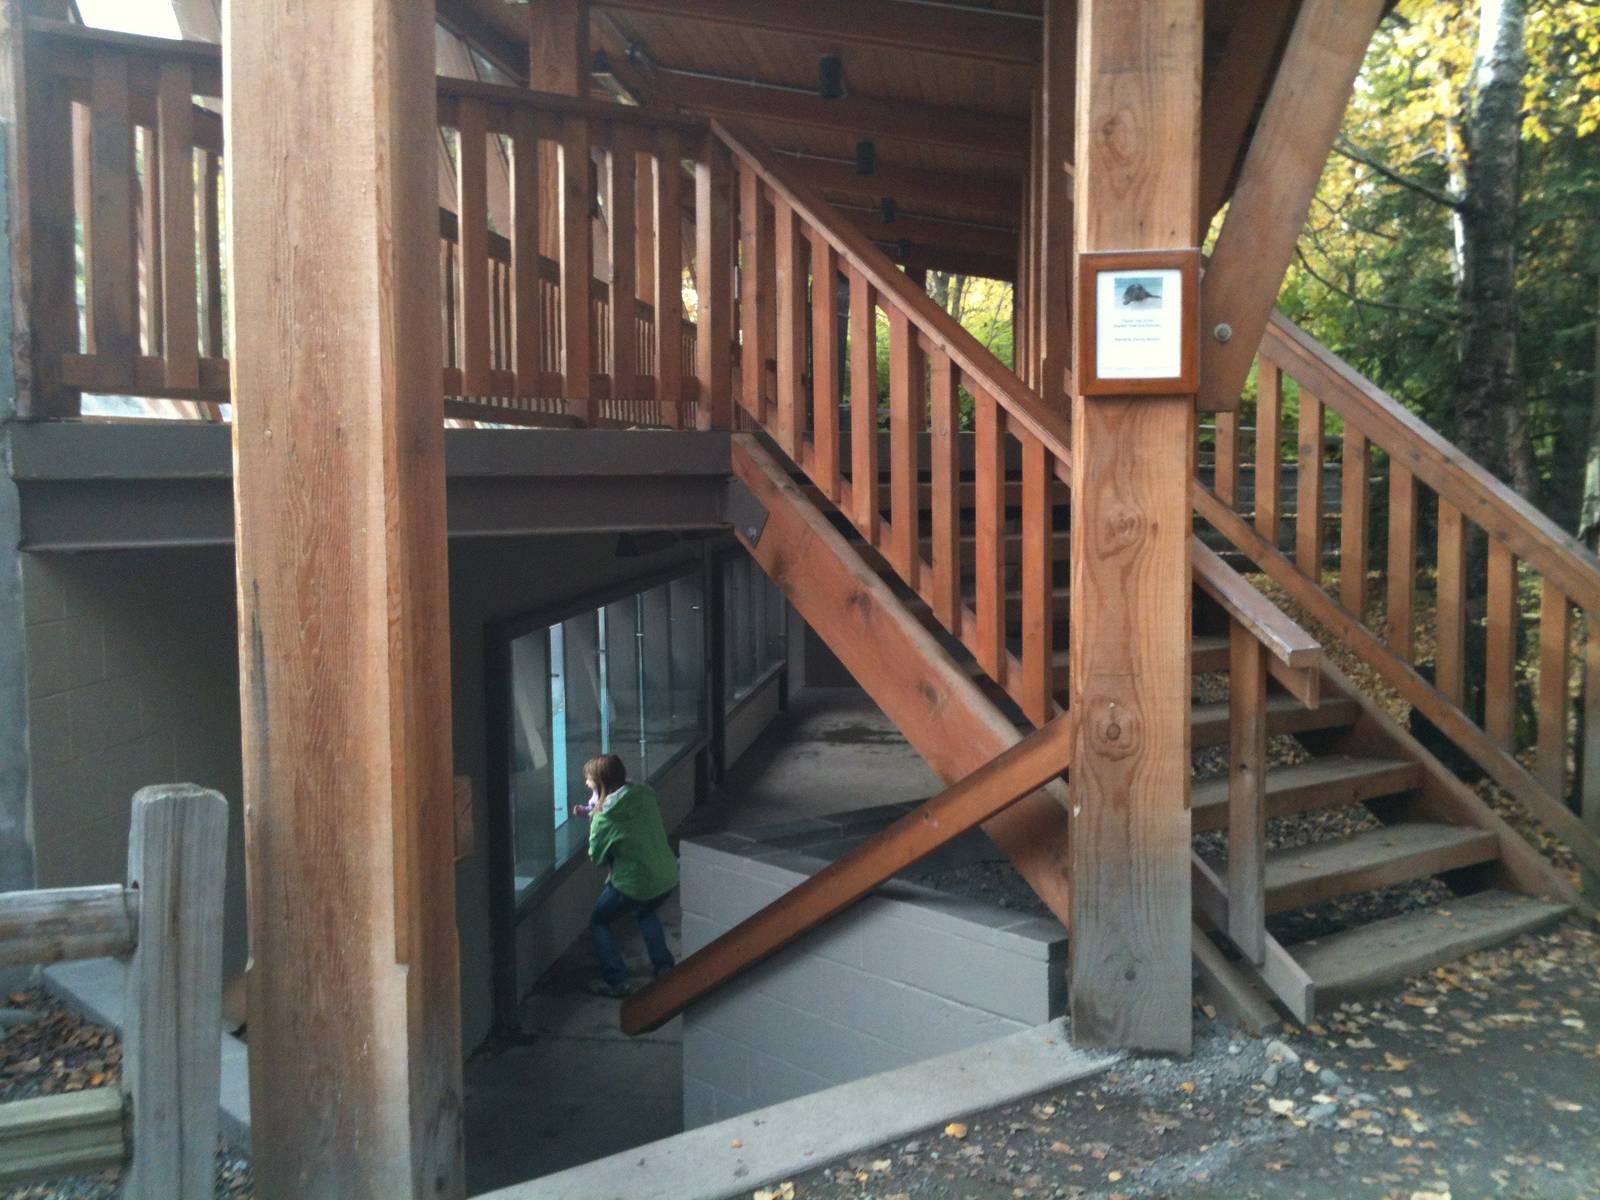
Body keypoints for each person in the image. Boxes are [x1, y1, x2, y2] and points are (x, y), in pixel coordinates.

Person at [575, 753, 678, 998]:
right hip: (667, 874)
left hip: (635, 882)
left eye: (589, 780)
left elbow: (597, 856)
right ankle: (664, 968)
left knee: (599, 922)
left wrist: (595, 821)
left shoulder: (604, 819)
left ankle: (616, 981)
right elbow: (628, 819)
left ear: (601, 782)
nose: (587, 784)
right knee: (645, 912)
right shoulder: (644, 794)